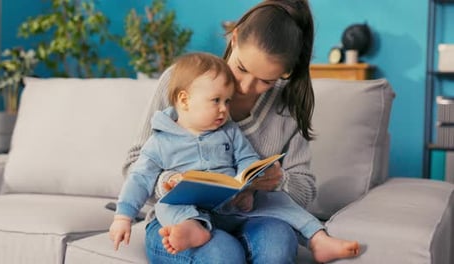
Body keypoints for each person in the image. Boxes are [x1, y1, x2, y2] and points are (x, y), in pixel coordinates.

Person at [120, 1, 360, 263]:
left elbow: (303, 188)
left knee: (277, 246)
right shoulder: (183, 81)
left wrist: (274, 180)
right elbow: (135, 165)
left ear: (284, 73)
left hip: (250, 215)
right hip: (182, 220)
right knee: (222, 253)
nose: (245, 87)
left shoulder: (286, 109)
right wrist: (172, 181)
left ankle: (318, 239)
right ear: (234, 38)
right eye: (242, 68)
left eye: (266, 81)